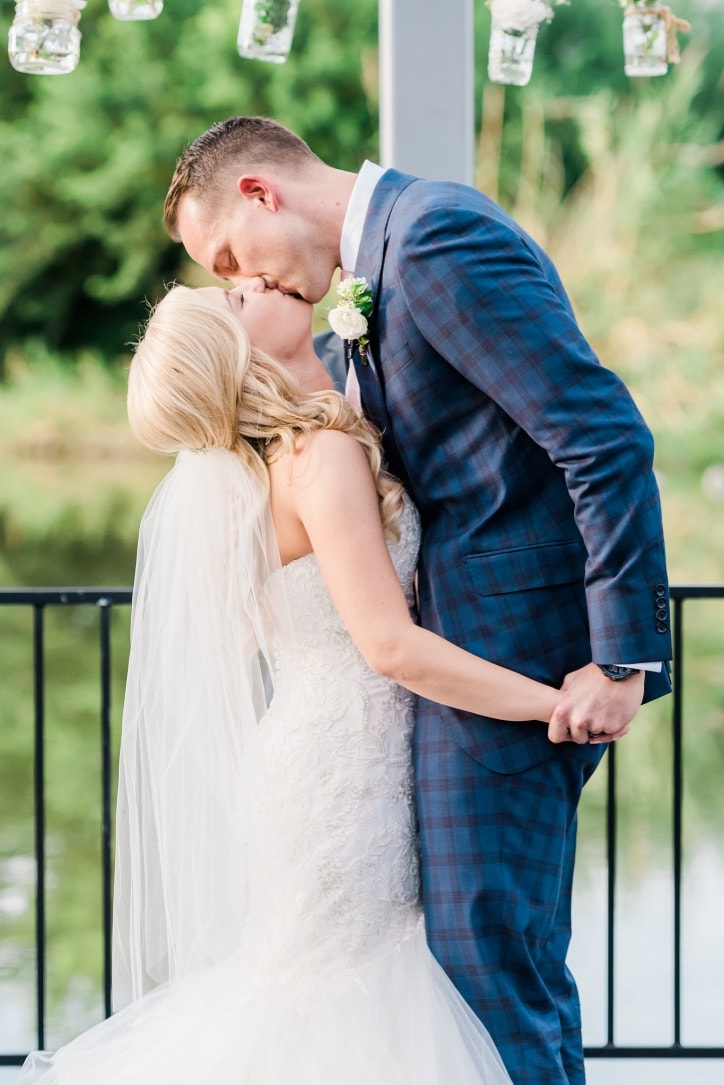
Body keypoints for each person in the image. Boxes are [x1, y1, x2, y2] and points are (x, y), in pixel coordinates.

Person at [162, 116, 673, 1085]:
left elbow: (601, 437)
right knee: (477, 967)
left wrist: (619, 658)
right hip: (450, 673)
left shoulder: (435, 239)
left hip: (514, 652)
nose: (248, 279)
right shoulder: (372, 273)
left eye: (231, 253)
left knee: (489, 967)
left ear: (262, 194)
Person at [19, 282, 568, 1084]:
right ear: (242, 357)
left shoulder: (261, 473)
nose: (250, 282)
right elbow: (390, 648)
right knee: (347, 1008)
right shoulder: (319, 456)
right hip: (346, 780)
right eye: (234, 301)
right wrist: (555, 703)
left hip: (305, 760)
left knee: (315, 1002)